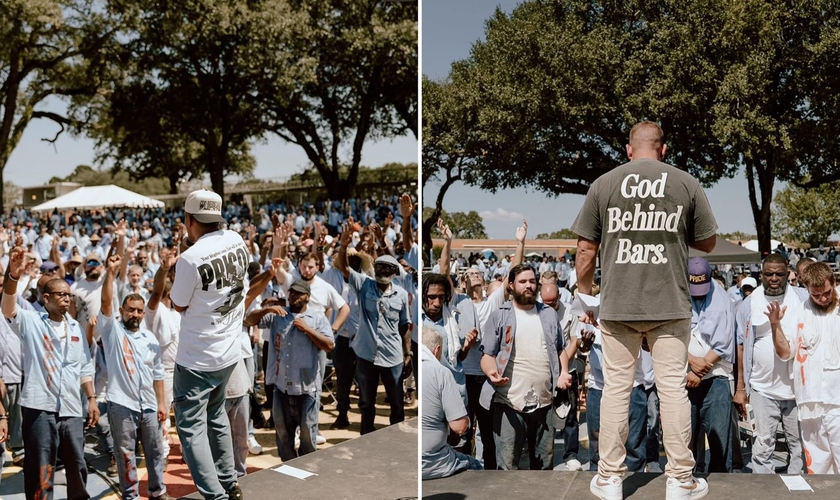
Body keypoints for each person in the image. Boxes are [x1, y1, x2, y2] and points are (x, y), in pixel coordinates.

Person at [571, 121, 717, 500]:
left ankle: (609, 478)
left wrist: (584, 297)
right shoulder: (686, 182)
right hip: (670, 303)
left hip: (618, 304)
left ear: (628, 149)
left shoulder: (603, 184)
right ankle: (681, 480)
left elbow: (586, 250)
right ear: (664, 149)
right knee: (672, 389)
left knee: (617, 388)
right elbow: (708, 242)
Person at [1, 240, 99, 500]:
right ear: (46, 298)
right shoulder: (31, 321)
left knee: (78, 465)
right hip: (39, 408)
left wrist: (91, 398)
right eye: (61, 295)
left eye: (69, 294)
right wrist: (13, 274)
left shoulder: (76, 328)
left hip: (71, 408)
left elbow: (85, 367)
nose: (67, 299)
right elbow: (8, 307)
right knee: (41, 468)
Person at [169, 190, 249, 500]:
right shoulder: (238, 240)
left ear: (189, 220)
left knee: (191, 430)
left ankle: (215, 495)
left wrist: (184, 252)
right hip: (229, 352)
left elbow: (177, 304)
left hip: (197, 358)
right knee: (215, 415)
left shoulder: (189, 258)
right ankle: (230, 482)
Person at [479, 264, 573, 470]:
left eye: (532, 281)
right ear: (511, 285)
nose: (528, 286)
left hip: (545, 403)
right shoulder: (499, 315)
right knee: (508, 465)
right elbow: (487, 355)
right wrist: (491, 372)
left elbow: (560, 349)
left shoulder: (548, 314)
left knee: (544, 464)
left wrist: (564, 372)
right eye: (523, 282)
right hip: (509, 403)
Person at [99, 252, 170, 500]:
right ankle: (131, 496)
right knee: (126, 454)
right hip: (121, 404)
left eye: (139, 311)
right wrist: (110, 273)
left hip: (149, 405)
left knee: (155, 451)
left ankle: (157, 491)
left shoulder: (150, 338)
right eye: (131, 310)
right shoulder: (111, 330)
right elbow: (105, 301)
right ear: (122, 310)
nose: (136, 315)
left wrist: (161, 402)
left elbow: (158, 374)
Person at [244, 279, 333, 460]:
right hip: (282, 387)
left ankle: (308, 470)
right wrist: (267, 309)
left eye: (299, 293)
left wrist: (307, 329)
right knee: (283, 436)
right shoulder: (279, 315)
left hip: (307, 388)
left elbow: (329, 345)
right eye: (291, 292)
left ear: (307, 297)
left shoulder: (317, 318)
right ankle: (289, 470)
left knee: (308, 436)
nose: (294, 296)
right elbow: (248, 320)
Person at [335, 223, 411, 435]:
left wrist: (408, 353)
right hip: (366, 355)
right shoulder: (364, 284)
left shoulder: (402, 295)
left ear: (394, 272)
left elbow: (405, 325)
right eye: (379, 268)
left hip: (393, 356)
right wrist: (343, 246)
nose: (383, 271)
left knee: (397, 404)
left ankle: (397, 440)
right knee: (366, 403)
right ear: (374, 269)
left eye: (388, 268)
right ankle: (366, 439)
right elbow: (344, 267)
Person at [734, 253, 804, 475]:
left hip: (796, 391)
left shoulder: (802, 299)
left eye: (779, 274)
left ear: (788, 274)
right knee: (762, 448)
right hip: (762, 390)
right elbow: (741, 347)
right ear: (761, 274)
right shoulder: (748, 304)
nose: (774, 278)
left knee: (799, 448)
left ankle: (797, 491)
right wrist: (741, 388)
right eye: (769, 273)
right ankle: (764, 494)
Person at [774, 262, 840, 474]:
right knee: (818, 471)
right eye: (816, 295)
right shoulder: (798, 312)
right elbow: (785, 353)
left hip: (838, 403)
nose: (822, 298)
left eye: (827, 293)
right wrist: (775, 326)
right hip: (810, 404)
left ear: (835, 283)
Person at [685, 257, 736, 473]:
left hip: (716, 378)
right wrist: (689, 361)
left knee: (719, 441)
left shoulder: (722, 301)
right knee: (686, 439)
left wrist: (701, 367)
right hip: (684, 375)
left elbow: (723, 344)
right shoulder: (676, 294)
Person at [421, 326, 483, 479]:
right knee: (476, 465)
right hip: (433, 462)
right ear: (437, 349)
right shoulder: (440, 372)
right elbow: (460, 427)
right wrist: (467, 421)